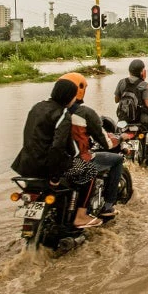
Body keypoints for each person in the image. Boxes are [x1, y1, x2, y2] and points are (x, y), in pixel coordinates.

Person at [11, 77, 99, 229]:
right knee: (90, 171)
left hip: (25, 164)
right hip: (47, 166)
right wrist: (55, 177)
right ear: (69, 97)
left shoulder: (36, 107)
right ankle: (81, 216)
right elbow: (58, 148)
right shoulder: (62, 114)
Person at [59, 73, 128, 227]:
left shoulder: (52, 111)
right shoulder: (85, 112)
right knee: (117, 160)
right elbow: (107, 142)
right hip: (79, 159)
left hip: (54, 163)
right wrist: (121, 138)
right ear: (80, 89)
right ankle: (108, 207)